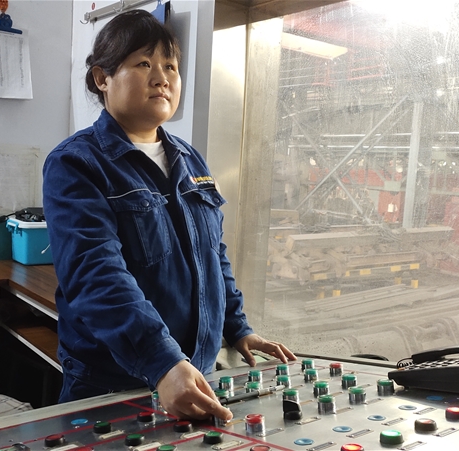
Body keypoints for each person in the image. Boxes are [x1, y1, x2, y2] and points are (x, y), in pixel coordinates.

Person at [42, 9, 295, 421]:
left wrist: (237, 327)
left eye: (171, 67)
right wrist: (161, 361)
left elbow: (212, 254)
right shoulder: (77, 163)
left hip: (194, 374)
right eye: (144, 64)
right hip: (114, 382)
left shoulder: (190, 159)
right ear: (102, 78)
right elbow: (94, 272)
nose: (162, 78)